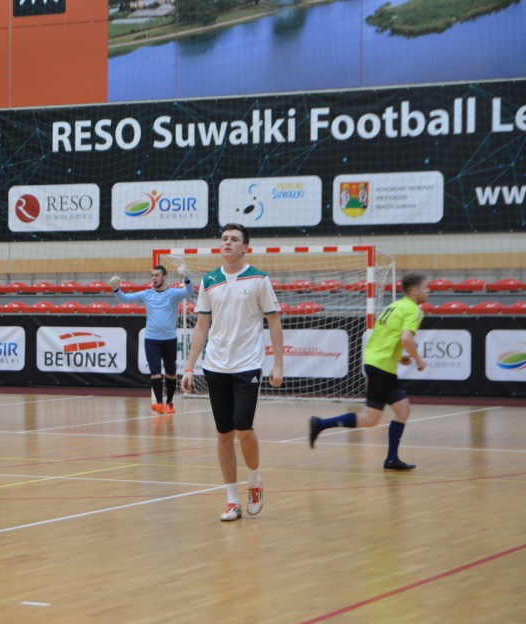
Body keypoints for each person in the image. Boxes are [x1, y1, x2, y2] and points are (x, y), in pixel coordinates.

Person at [180, 223, 284, 522]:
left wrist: (278, 364)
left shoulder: (259, 279)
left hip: (247, 365)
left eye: (234, 239)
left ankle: (254, 479)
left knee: (243, 429)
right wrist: (189, 367)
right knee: (224, 434)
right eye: (224, 238)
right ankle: (231, 499)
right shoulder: (209, 280)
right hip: (215, 366)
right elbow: (202, 326)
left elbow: (274, 321)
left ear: (244, 247)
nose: (227, 242)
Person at [309, 273, 429, 470]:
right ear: (415, 291)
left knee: (403, 410)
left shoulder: (394, 306)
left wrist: (399, 357)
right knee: (371, 419)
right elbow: (407, 339)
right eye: (425, 288)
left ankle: (392, 459)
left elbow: (386, 338)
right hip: (381, 367)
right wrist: (419, 361)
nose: (428, 291)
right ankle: (320, 424)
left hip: (379, 364)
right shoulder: (413, 310)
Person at [110, 264, 196, 414]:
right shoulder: (146, 294)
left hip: (169, 339)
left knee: (171, 372)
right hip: (151, 339)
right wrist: (115, 288)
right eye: (152, 275)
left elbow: (190, 292)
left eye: (157, 275)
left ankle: (170, 403)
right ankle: (159, 403)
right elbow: (124, 299)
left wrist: (187, 278)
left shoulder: (173, 294)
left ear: (164, 277)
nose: (154, 278)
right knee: (155, 371)